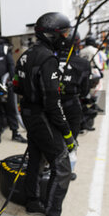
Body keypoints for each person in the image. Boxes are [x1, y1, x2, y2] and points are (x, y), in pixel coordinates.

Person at [13, 12, 76, 216]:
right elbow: (53, 105)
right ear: (52, 35)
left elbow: (15, 87)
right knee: (62, 164)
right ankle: (53, 212)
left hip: (28, 114)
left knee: (36, 157)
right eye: (63, 33)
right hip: (41, 116)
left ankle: (32, 201)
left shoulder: (25, 55)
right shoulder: (48, 59)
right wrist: (67, 134)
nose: (66, 38)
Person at [56, 31, 91, 180]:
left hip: (51, 105)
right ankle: (68, 171)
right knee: (71, 140)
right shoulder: (83, 64)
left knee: (53, 136)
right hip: (71, 106)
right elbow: (85, 91)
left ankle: (50, 166)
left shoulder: (49, 60)